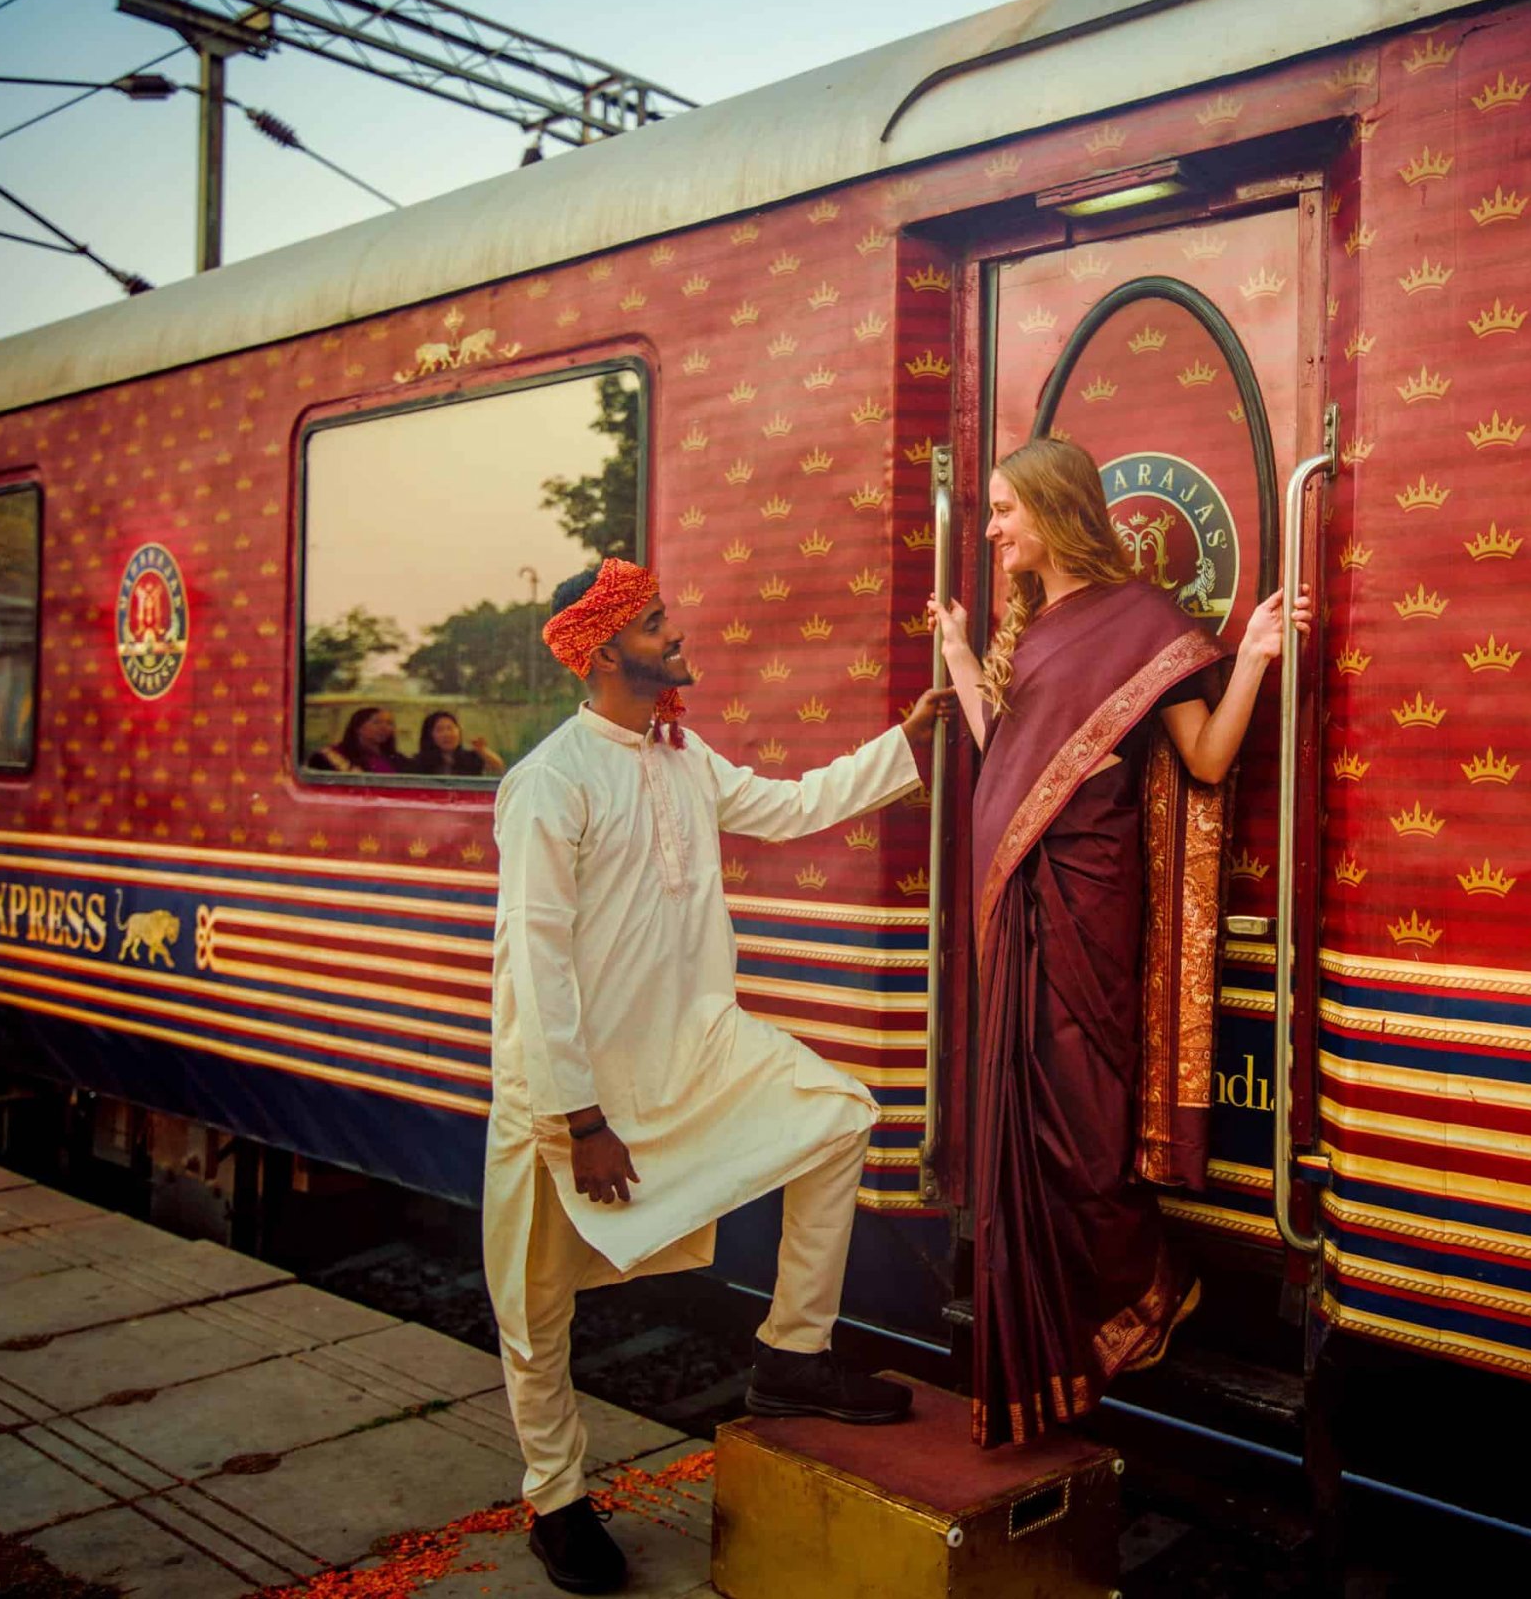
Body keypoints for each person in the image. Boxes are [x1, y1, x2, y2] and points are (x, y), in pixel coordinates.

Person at [487, 556, 950, 1593]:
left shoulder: (683, 759)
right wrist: (581, 1115)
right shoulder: (548, 782)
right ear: (604, 651)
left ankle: (791, 1355)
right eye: (656, 624)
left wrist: (906, 745)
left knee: (839, 1114)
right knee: (536, 1304)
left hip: (693, 1046)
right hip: (569, 1090)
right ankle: (556, 1499)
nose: (676, 634)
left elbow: (788, 806)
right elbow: (536, 962)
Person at [928, 436, 1309, 1447]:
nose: (994, 527)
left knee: (1084, 1131)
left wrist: (1257, 658)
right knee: (1025, 1123)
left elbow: (1210, 757)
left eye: (1005, 508)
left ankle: (1143, 1291)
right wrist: (964, 659)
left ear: (1054, 509)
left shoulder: (1142, 620)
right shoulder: (1033, 628)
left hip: (1094, 910)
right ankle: (1053, 1338)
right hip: (1016, 906)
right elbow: (1003, 754)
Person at [411, 709, 505, 777]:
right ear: (429, 735)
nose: (447, 734)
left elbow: (498, 768)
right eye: (439, 730)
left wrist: (483, 751)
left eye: (450, 728)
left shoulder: (470, 759)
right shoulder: (419, 763)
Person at [319, 706, 407, 774]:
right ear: (358, 727)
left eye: (389, 723)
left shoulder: (397, 759)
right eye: (376, 722)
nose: (384, 728)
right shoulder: (333, 755)